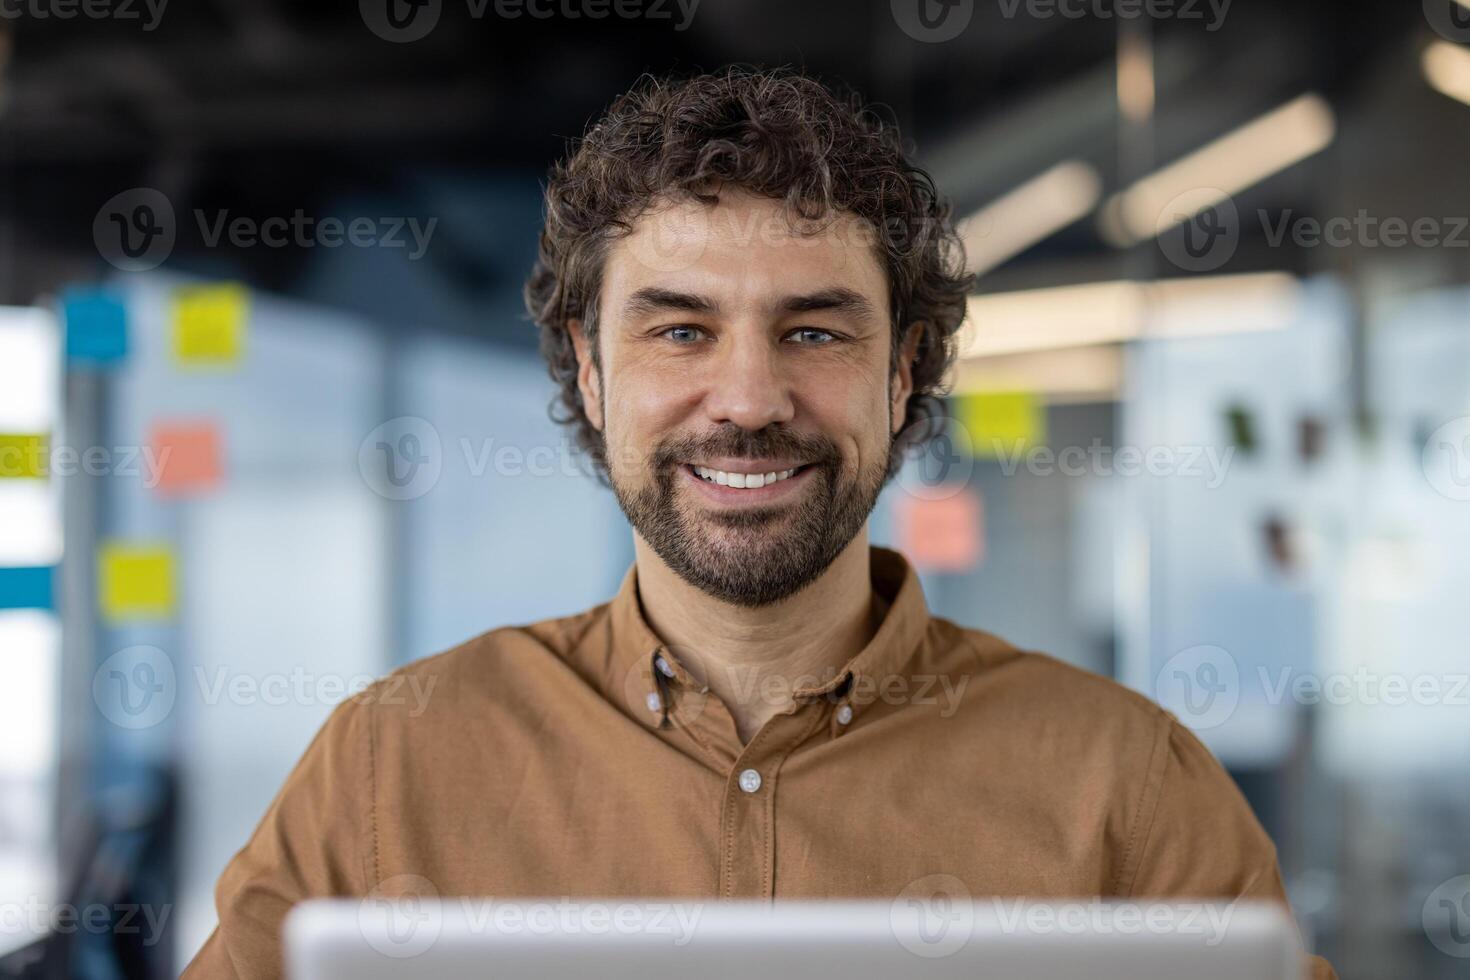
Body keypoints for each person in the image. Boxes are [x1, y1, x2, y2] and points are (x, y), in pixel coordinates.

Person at [183, 67, 1335, 979]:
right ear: (590, 372)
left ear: (903, 373)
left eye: (817, 331)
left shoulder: (1126, 785)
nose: (746, 399)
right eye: (679, 330)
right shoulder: (391, 766)